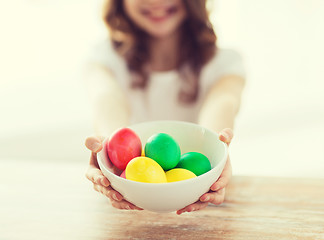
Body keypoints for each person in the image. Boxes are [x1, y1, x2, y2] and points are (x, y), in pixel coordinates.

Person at [84, 0, 245, 215]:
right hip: (126, 206)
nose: (155, 2)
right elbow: (106, 99)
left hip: (205, 207)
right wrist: (108, 147)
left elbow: (223, 102)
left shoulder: (225, 62)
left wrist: (217, 147)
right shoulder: (103, 58)